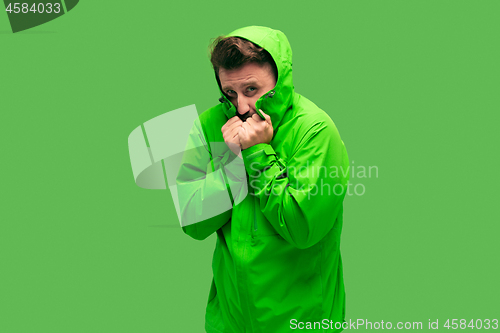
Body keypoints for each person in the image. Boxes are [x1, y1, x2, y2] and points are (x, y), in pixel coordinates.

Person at [175, 26, 350, 333]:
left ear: (279, 81)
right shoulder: (209, 124)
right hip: (229, 322)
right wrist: (233, 165)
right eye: (230, 92)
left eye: (251, 90)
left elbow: (302, 229)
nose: (241, 106)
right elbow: (192, 222)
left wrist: (256, 151)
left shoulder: (316, 131)